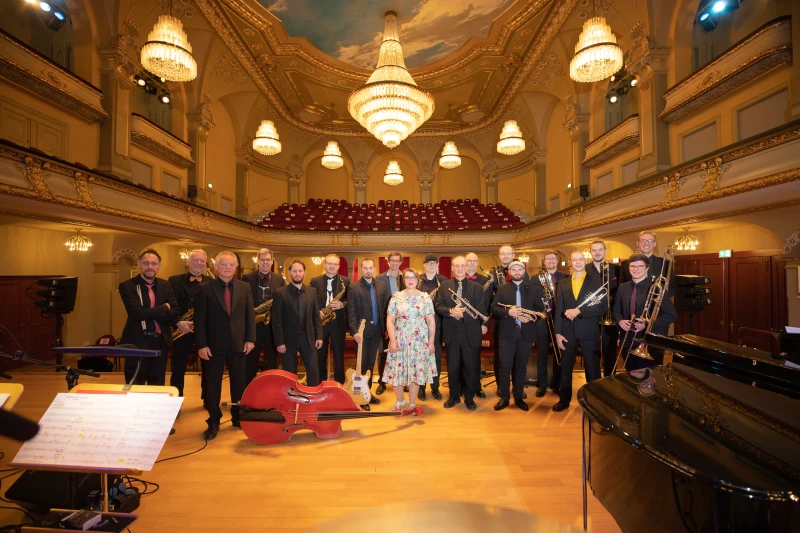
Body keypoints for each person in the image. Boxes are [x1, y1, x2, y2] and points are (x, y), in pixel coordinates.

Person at [194, 251, 255, 440]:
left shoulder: (245, 287)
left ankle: (237, 417)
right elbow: (200, 320)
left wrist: (250, 339)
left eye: (231, 264)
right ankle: (213, 420)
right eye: (223, 264)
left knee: (239, 383)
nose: (228, 267)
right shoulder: (204, 289)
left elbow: (249, 316)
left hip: (239, 344)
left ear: (236, 268)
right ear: (215, 267)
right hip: (213, 346)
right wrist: (201, 345)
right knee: (212, 386)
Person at [552, 251, 604, 412]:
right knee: (565, 368)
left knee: (592, 368)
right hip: (567, 331)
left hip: (589, 330)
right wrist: (558, 333)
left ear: (585, 261)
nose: (578, 262)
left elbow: (602, 307)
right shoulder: (563, 283)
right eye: (574, 260)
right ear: (570, 263)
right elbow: (559, 308)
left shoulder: (596, 281)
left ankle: (594, 402)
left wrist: (579, 311)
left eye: (581, 259)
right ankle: (564, 399)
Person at [490, 260, 545, 411]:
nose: (516, 272)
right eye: (513, 269)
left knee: (521, 368)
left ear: (524, 271)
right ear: (509, 273)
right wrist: (508, 312)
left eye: (519, 269)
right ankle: (505, 398)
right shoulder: (501, 289)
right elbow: (493, 309)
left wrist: (530, 318)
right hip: (506, 334)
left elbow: (541, 312)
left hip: (525, 334)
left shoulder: (534, 290)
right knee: (504, 367)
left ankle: (519, 397)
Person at [119, 249, 179, 386]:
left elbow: (175, 311)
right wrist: (164, 308)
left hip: (160, 341)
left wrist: (153, 311)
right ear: (139, 264)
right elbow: (138, 314)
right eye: (146, 263)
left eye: (154, 263)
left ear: (159, 266)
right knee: (135, 384)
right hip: (137, 342)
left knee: (157, 384)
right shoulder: (128, 286)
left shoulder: (165, 285)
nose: (150, 267)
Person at [435, 256, 488, 411]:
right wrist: (452, 312)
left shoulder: (476, 287)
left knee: (470, 367)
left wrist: (463, 314)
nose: (459, 268)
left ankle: (469, 397)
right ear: (452, 268)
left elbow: (481, 309)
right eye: (456, 266)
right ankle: (454, 396)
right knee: (452, 367)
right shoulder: (444, 286)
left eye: (462, 266)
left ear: (467, 268)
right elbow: (438, 306)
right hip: (452, 333)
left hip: (470, 332)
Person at [612, 254, 677, 376]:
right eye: (633, 266)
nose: (636, 269)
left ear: (647, 268)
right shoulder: (622, 288)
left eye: (640, 266)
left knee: (650, 377)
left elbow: (671, 315)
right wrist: (620, 321)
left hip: (650, 341)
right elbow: (616, 311)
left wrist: (647, 324)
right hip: (628, 339)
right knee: (630, 375)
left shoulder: (658, 288)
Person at [384, 268, 436, 415]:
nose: (410, 280)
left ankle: (412, 403)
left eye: (413, 277)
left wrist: (431, 342)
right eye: (407, 278)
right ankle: (400, 400)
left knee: (416, 372)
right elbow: (390, 319)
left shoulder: (425, 298)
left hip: (419, 341)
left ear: (418, 280)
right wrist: (392, 339)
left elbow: (431, 321)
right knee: (397, 372)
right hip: (400, 340)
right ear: (403, 280)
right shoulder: (396, 297)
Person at [486, 245, 530, 396]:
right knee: (501, 357)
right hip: (501, 319)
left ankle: (518, 387)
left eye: (508, 253)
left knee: (519, 359)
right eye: (502, 254)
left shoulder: (523, 273)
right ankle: (501, 386)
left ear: (513, 254)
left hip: (522, 321)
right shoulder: (493, 273)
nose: (505, 256)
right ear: (499, 256)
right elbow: (489, 299)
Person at [168, 249, 213, 396]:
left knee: (208, 367)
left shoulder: (211, 282)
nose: (199, 264)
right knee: (178, 368)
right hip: (182, 329)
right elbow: (169, 305)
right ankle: (176, 400)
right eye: (195, 260)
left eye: (202, 261)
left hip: (205, 331)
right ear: (188, 261)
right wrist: (178, 323)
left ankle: (207, 399)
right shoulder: (174, 280)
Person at [346, 258, 389, 410]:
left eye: (371, 268)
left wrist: (387, 329)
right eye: (365, 268)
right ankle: (360, 397)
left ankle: (367, 392)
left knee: (371, 365)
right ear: (361, 269)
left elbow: (384, 308)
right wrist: (354, 332)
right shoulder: (353, 287)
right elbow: (350, 312)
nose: (368, 270)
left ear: (374, 268)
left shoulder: (382, 286)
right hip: (361, 333)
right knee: (362, 364)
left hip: (377, 331)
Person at [271, 260, 323, 386]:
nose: (297, 273)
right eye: (294, 271)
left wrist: (319, 336)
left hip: (308, 338)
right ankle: (291, 401)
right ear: (289, 273)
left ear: (304, 272)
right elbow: (276, 320)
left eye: (300, 271)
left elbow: (316, 316)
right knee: (289, 374)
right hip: (287, 341)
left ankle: (312, 399)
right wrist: (279, 342)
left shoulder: (312, 292)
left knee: (313, 371)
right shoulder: (280, 293)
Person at [241, 248, 285, 386]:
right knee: (251, 361)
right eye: (262, 259)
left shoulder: (279, 279)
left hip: (272, 326)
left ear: (272, 261)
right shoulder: (247, 278)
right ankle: (248, 392)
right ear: (257, 261)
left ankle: (272, 391)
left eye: (268, 260)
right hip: (253, 326)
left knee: (272, 360)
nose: (265, 262)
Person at [309, 254, 350, 384]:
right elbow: (311, 301)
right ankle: (320, 382)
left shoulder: (346, 281)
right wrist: (317, 312)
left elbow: (352, 301)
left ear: (338, 266)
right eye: (329, 263)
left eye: (335, 264)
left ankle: (339, 383)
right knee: (320, 355)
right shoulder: (314, 281)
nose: (332, 266)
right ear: (324, 264)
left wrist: (342, 304)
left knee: (339, 355)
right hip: (321, 323)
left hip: (338, 322)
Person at [584, 240, 619, 378]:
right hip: (590, 316)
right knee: (591, 352)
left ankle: (611, 381)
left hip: (609, 316)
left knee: (610, 351)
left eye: (600, 250)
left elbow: (620, 290)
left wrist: (609, 299)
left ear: (605, 251)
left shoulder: (616, 268)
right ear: (590, 252)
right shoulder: (584, 268)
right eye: (594, 250)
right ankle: (593, 384)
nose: (597, 253)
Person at [534, 251, 566, 397]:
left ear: (557, 260)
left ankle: (557, 383)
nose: (551, 261)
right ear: (544, 261)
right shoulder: (535, 279)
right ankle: (542, 384)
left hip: (559, 319)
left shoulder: (565, 278)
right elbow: (531, 298)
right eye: (548, 259)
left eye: (553, 258)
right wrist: (541, 306)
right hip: (542, 319)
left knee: (559, 352)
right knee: (542, 353)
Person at [417, 254, 448, 401]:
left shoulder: (444, 281)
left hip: (438, 327)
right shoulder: (417, 281)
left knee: (435, 358)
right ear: (424, 265)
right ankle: (421, 388)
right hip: (419, 328)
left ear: (437, 265)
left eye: (434, 263)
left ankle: (435, 388)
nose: (431, 265)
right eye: (428, 263)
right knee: (421, 358)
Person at [375, 251, 405, 394]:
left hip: (403, 323)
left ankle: (403, 381)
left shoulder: (405, 277)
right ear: (387, 262)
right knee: (383, 353)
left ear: (401, 262)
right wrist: (385, 325)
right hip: (385, 321)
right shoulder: (379, 278)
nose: (394, 263)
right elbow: (378, 302)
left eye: (397, 261)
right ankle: (382, 382)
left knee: (403, 353)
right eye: (391, 261)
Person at [619, 231, 675, 297]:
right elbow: (622, 288)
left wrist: (659, 300)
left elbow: (672, 288)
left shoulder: (665, 263)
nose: (646, 243)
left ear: (654, 244)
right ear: (638, 243)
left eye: (650, 241)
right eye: (643, 240)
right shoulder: (625, 264)